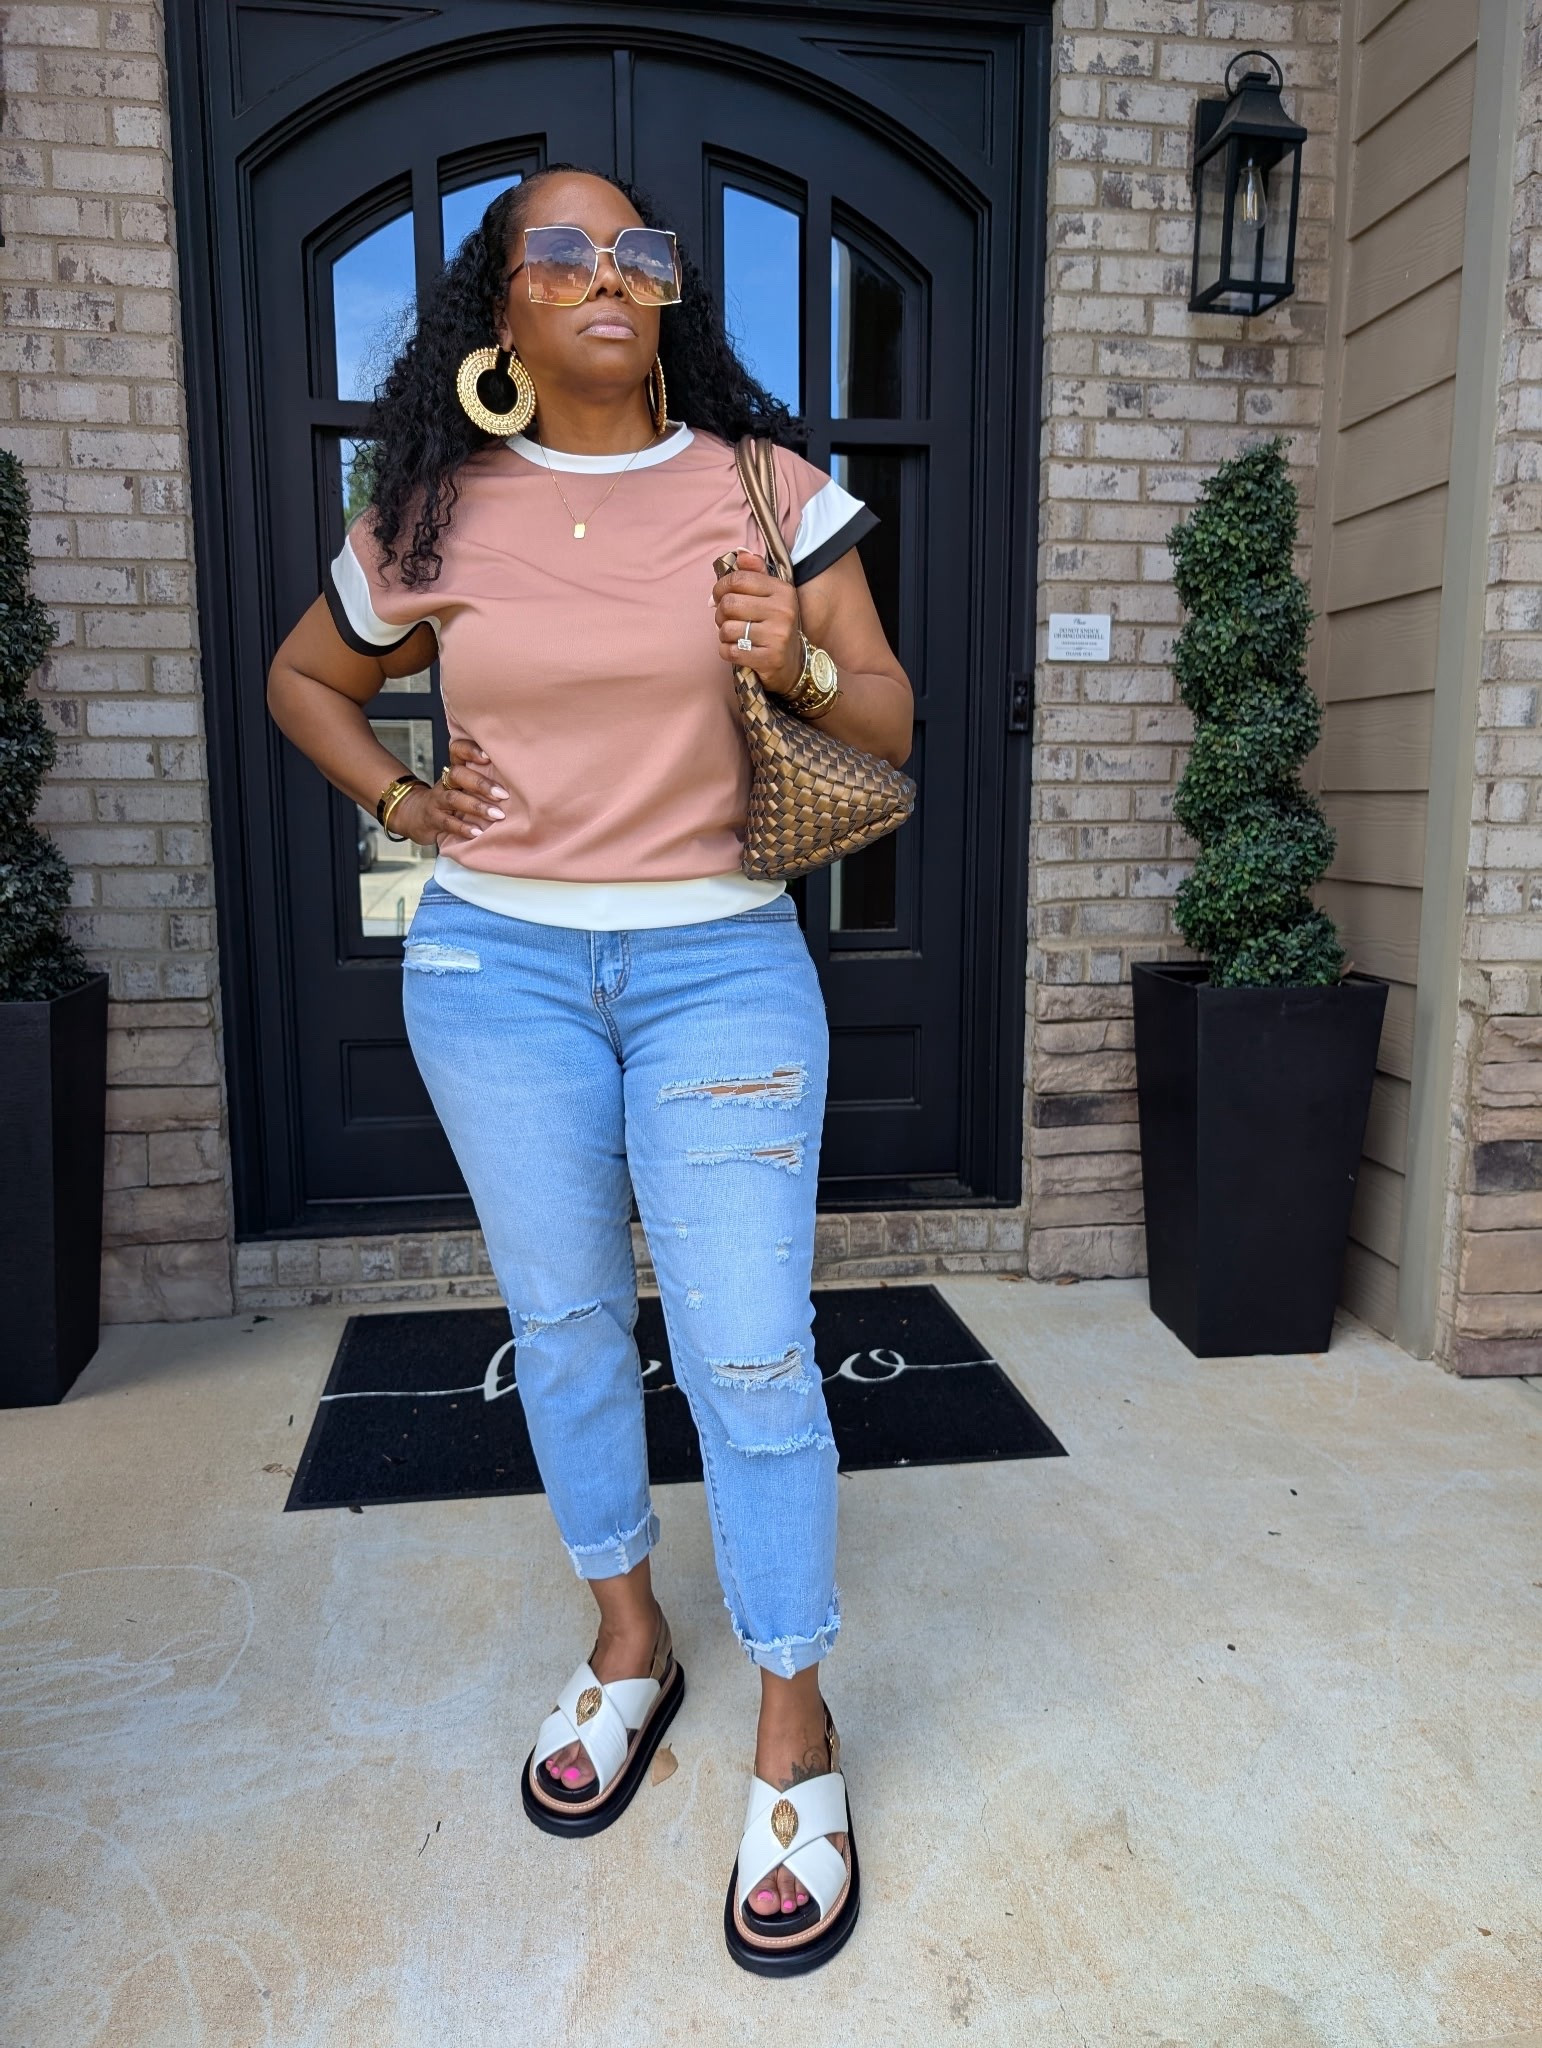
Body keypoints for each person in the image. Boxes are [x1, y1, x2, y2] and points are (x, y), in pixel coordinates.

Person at [267, 164, 911, 1975]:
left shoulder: (764, 487)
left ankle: (797, 1715)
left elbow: (890, 720)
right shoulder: (431, 509)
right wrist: (401, 796)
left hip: (719, 962)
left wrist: (794, 646)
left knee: (749, 1347)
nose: (608, 273)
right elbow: (302, 680)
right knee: (559, 1323)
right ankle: (630, 1637)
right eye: (561, 250)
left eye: (641, 249)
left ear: (674, 296)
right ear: (502, 311)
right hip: (493, 967)